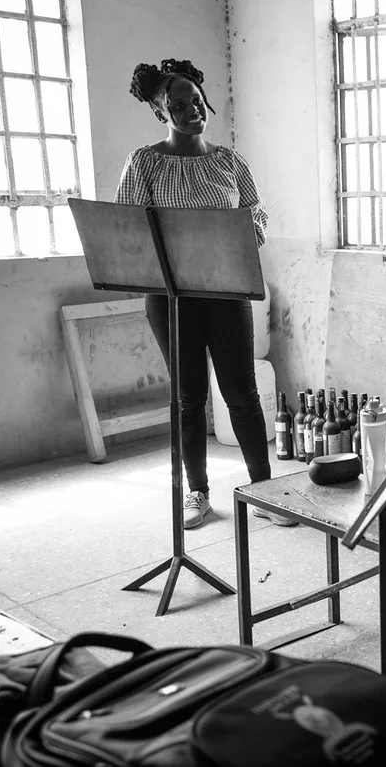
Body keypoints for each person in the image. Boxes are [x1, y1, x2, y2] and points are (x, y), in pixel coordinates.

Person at [116, 58, 296, 529]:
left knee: (242, 392)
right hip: (171, 296)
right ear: (161, 113)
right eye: (177, 105)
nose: (191, 110)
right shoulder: (144, 162)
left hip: (226, 290)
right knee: (188, 397)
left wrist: (239, 235)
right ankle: (197, 493)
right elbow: (128, 228)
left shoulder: (229, 162)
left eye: (195, 100)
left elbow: (256, 217)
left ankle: (265, 490)